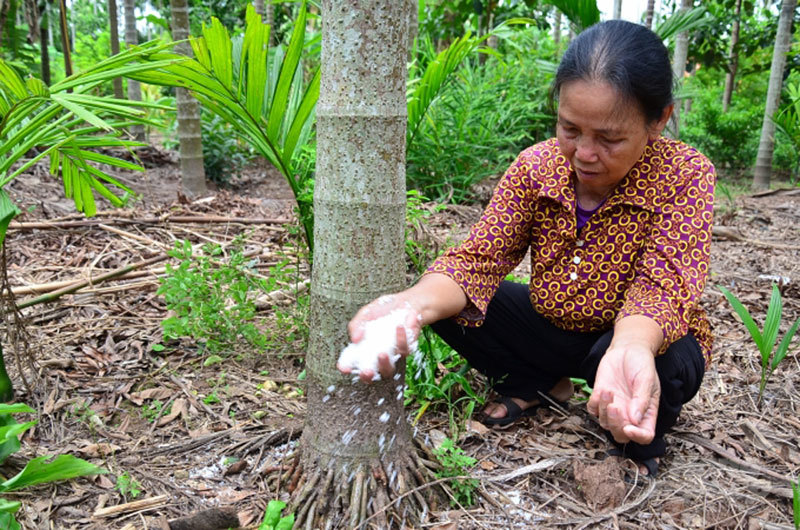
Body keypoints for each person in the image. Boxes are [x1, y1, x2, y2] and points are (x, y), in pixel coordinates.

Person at [341, 20, 714, 478]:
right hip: (555, 325)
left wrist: (629, 347)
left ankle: (639, 438)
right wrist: (408, 306)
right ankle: (538, 383)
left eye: (609, 138)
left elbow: (665, 283)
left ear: (658, 120)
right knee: (450, 303)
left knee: (640, 358)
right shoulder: (537, 167)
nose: (584, 153)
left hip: (637, 338)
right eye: (570, 128)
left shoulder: (685, 174)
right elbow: (479, 259)